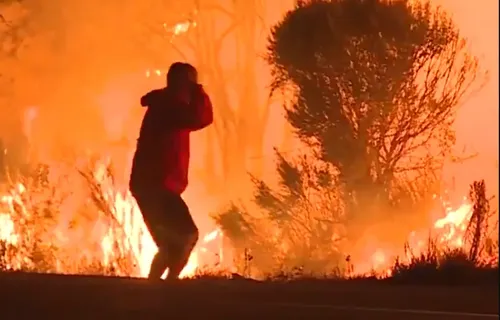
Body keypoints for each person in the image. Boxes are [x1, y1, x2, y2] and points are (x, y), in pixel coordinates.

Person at [129, 62, 213, 280]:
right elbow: (201, 118)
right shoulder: (168, 106)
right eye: (190, 84)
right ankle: (162, 287)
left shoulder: (166, 104)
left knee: (173, 243)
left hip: (155, 185)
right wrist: (198, 91)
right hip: (156, 186)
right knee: (185, 236)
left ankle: (160, 288)